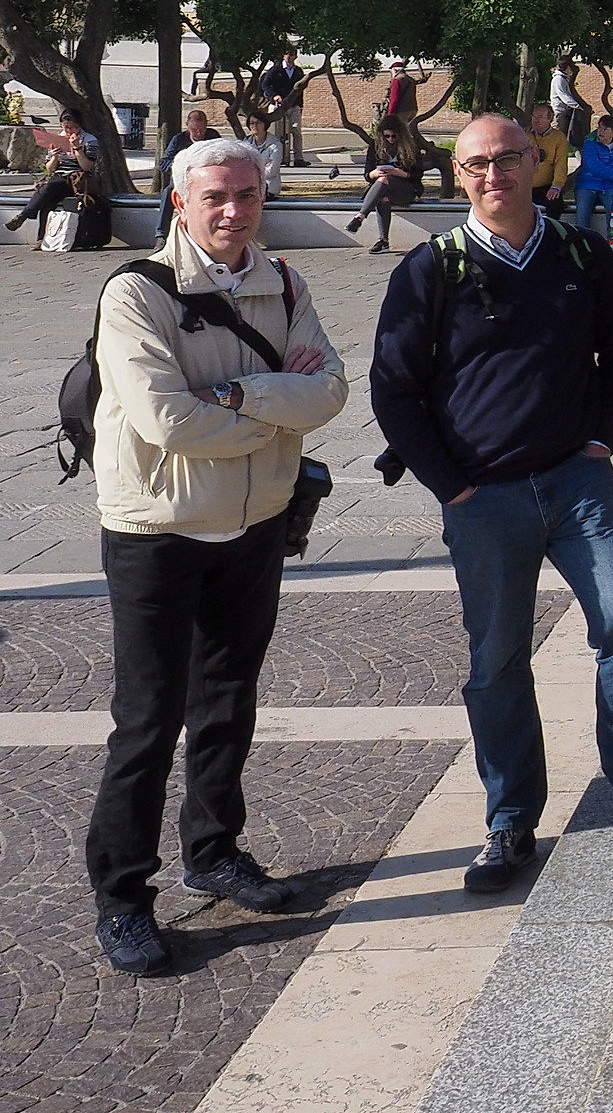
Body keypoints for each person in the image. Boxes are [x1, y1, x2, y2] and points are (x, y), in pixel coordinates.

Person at [371, 113, 613, 893]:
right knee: (497, 660)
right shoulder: (429, 268)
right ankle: (510, 817)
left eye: (507, 157)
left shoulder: (579, 252)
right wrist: (452, 484)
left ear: (536, 162)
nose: (493, 174)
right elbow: (393, 388)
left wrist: (602, 438)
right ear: (458, 172)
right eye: (476, 163)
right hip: (483, 497)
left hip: (578, 484)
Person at [86, 137, 347, 975]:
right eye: (215, 197)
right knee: (149, 717)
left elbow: (333, 390)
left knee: (229, 700)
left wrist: (233, 396)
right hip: (157, 529)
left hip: (256, 522)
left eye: (247, 194)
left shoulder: (285, 282)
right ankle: (123, 897)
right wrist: (279, 408)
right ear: (180, 203)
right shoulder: (136, 293)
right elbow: (167, 421)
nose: (234, 210)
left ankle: (214, 850)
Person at [7, 106, 102, 234]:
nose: (68, 131)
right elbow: (50, 169)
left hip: (78, 179)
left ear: (79, 126)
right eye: (65, 127)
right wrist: (55, 156)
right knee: (47, 200)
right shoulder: (58, 138)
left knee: (51, 187)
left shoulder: (89, 140)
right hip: (60, 178)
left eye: (72, 127)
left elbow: (87, 166)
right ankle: (41, 238)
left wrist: (78, 149)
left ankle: (23, 216)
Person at [346, 116, 424, 255]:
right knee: (383, 196)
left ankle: (360, 217)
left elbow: (418, 174)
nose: (390, 139)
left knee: (384, 181)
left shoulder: (411, 146)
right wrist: (374, 174)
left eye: (394, 136)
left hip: (406, 189)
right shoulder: (375, 147)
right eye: (386, 136)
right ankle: (384, 241)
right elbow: (367, 175)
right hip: (383, 189)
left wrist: (401, 173)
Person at [155, 108, 219, 241]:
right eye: (195, 129)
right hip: (184, 181)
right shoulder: (179, 140)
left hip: (206, 181)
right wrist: (178, 166)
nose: (199, 133)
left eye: (202, 129)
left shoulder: (213, 137)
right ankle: (161, 234)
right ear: (187, 125)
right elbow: (163, 163)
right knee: (168, 193)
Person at [255, 46, 308, 166]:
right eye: (287, 54)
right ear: (283, 56)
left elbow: (300, 90)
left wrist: (300, 105)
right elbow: (266, 85)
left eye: (292, 54)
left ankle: (298, 158)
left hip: (293, 106)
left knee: (296, 131)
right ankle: (277, 158)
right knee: (276, 132)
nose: (289, 57)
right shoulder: (276, 70)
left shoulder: (298, 71)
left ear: (295, 57)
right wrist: (274, 96)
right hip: (277, 105)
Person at [526, 102, 570, 210]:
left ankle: (551, 227)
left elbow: (560, 164)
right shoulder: (524, 135)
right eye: (534, 116)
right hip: (525, 186)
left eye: (540, 117)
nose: (536, 120)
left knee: (555, 203)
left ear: (549, 119)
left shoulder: (558, 138)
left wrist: (556, 186)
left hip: (545, 186)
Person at [243, 112, 284, 199]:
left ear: (265, 124)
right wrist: (262, 167)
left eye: (258, 122)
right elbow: (241, 166)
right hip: (248, 188)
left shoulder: (275, 145)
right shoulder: (246, 143)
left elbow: (272, 170)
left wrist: (251, 171)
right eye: (252, 123)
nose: (255, 125)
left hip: (268, 189)